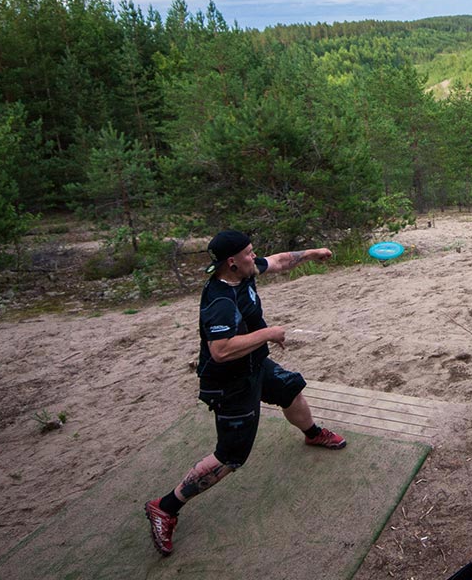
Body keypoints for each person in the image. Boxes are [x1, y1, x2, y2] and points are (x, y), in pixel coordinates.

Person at [144, 230, 346, 557]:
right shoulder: (220, 300)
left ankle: (312, 434)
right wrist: (269, 333)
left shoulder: (244, 274)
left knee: (290, 387)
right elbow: (221, 350)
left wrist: (311, 253)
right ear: (231, 262)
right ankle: (165, 507)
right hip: (229, 382)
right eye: (249, 253)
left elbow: (279, 261)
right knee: (231, 455)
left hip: (254, 365)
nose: (255, 257)